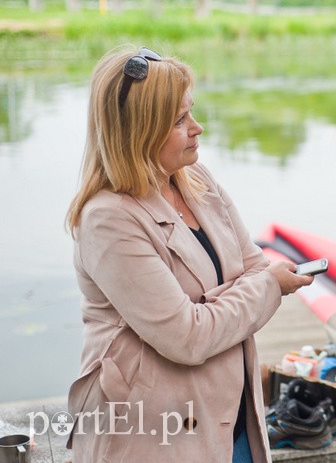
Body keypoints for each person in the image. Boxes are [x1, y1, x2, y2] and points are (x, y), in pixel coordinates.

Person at [65, 46, 313, 462]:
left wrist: (209, 308)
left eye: (190, 112)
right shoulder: (107, 219)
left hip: (232, 420)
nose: (197, 128)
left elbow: (251, 265)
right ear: (139, 130)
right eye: (180, 120)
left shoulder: (194, 178)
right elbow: (188, 338)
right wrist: (267, 286)